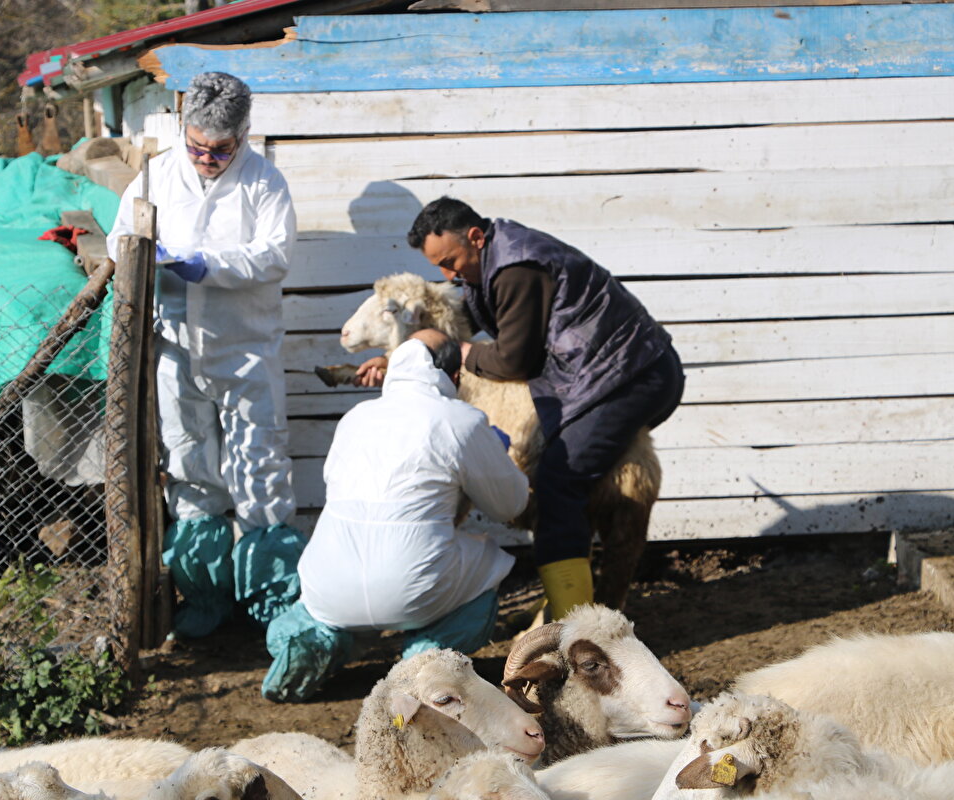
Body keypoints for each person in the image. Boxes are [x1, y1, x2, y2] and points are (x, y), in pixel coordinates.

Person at [380, 196, 686, 625]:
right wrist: (402, 357)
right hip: (607, 377)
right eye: (440, 269)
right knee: (573, 479)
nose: (448, 276)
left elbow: (513, 361)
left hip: (632, 375)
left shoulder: (517, 268)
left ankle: (574, 626)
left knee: (560, 484)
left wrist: (464, 352)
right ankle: (575, 606)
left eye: (450, 262)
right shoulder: (494, 260)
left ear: (475, 236)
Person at [105, 71, 304, 638]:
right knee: (191, 469)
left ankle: (272, 608)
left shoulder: (265, 183)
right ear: (183, 131)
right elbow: (125, 240)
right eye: (197, 146)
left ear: (243, 135)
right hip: (175, 350)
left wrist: (204, 265)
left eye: (220, 149)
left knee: (261, 470)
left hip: (245, 352)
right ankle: (205, 598)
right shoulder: (154, 175)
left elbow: (273, 256)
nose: (207, 158)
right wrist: (147, 256)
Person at [262, 329, 529, 702]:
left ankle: (315, 640)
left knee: (322, 606)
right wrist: (493, 454)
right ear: (454, 376)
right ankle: (423, 662)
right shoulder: (460, 421)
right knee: (489, 565)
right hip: (414, 589)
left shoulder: (355, 418)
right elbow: (510, 505)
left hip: (330, 586)